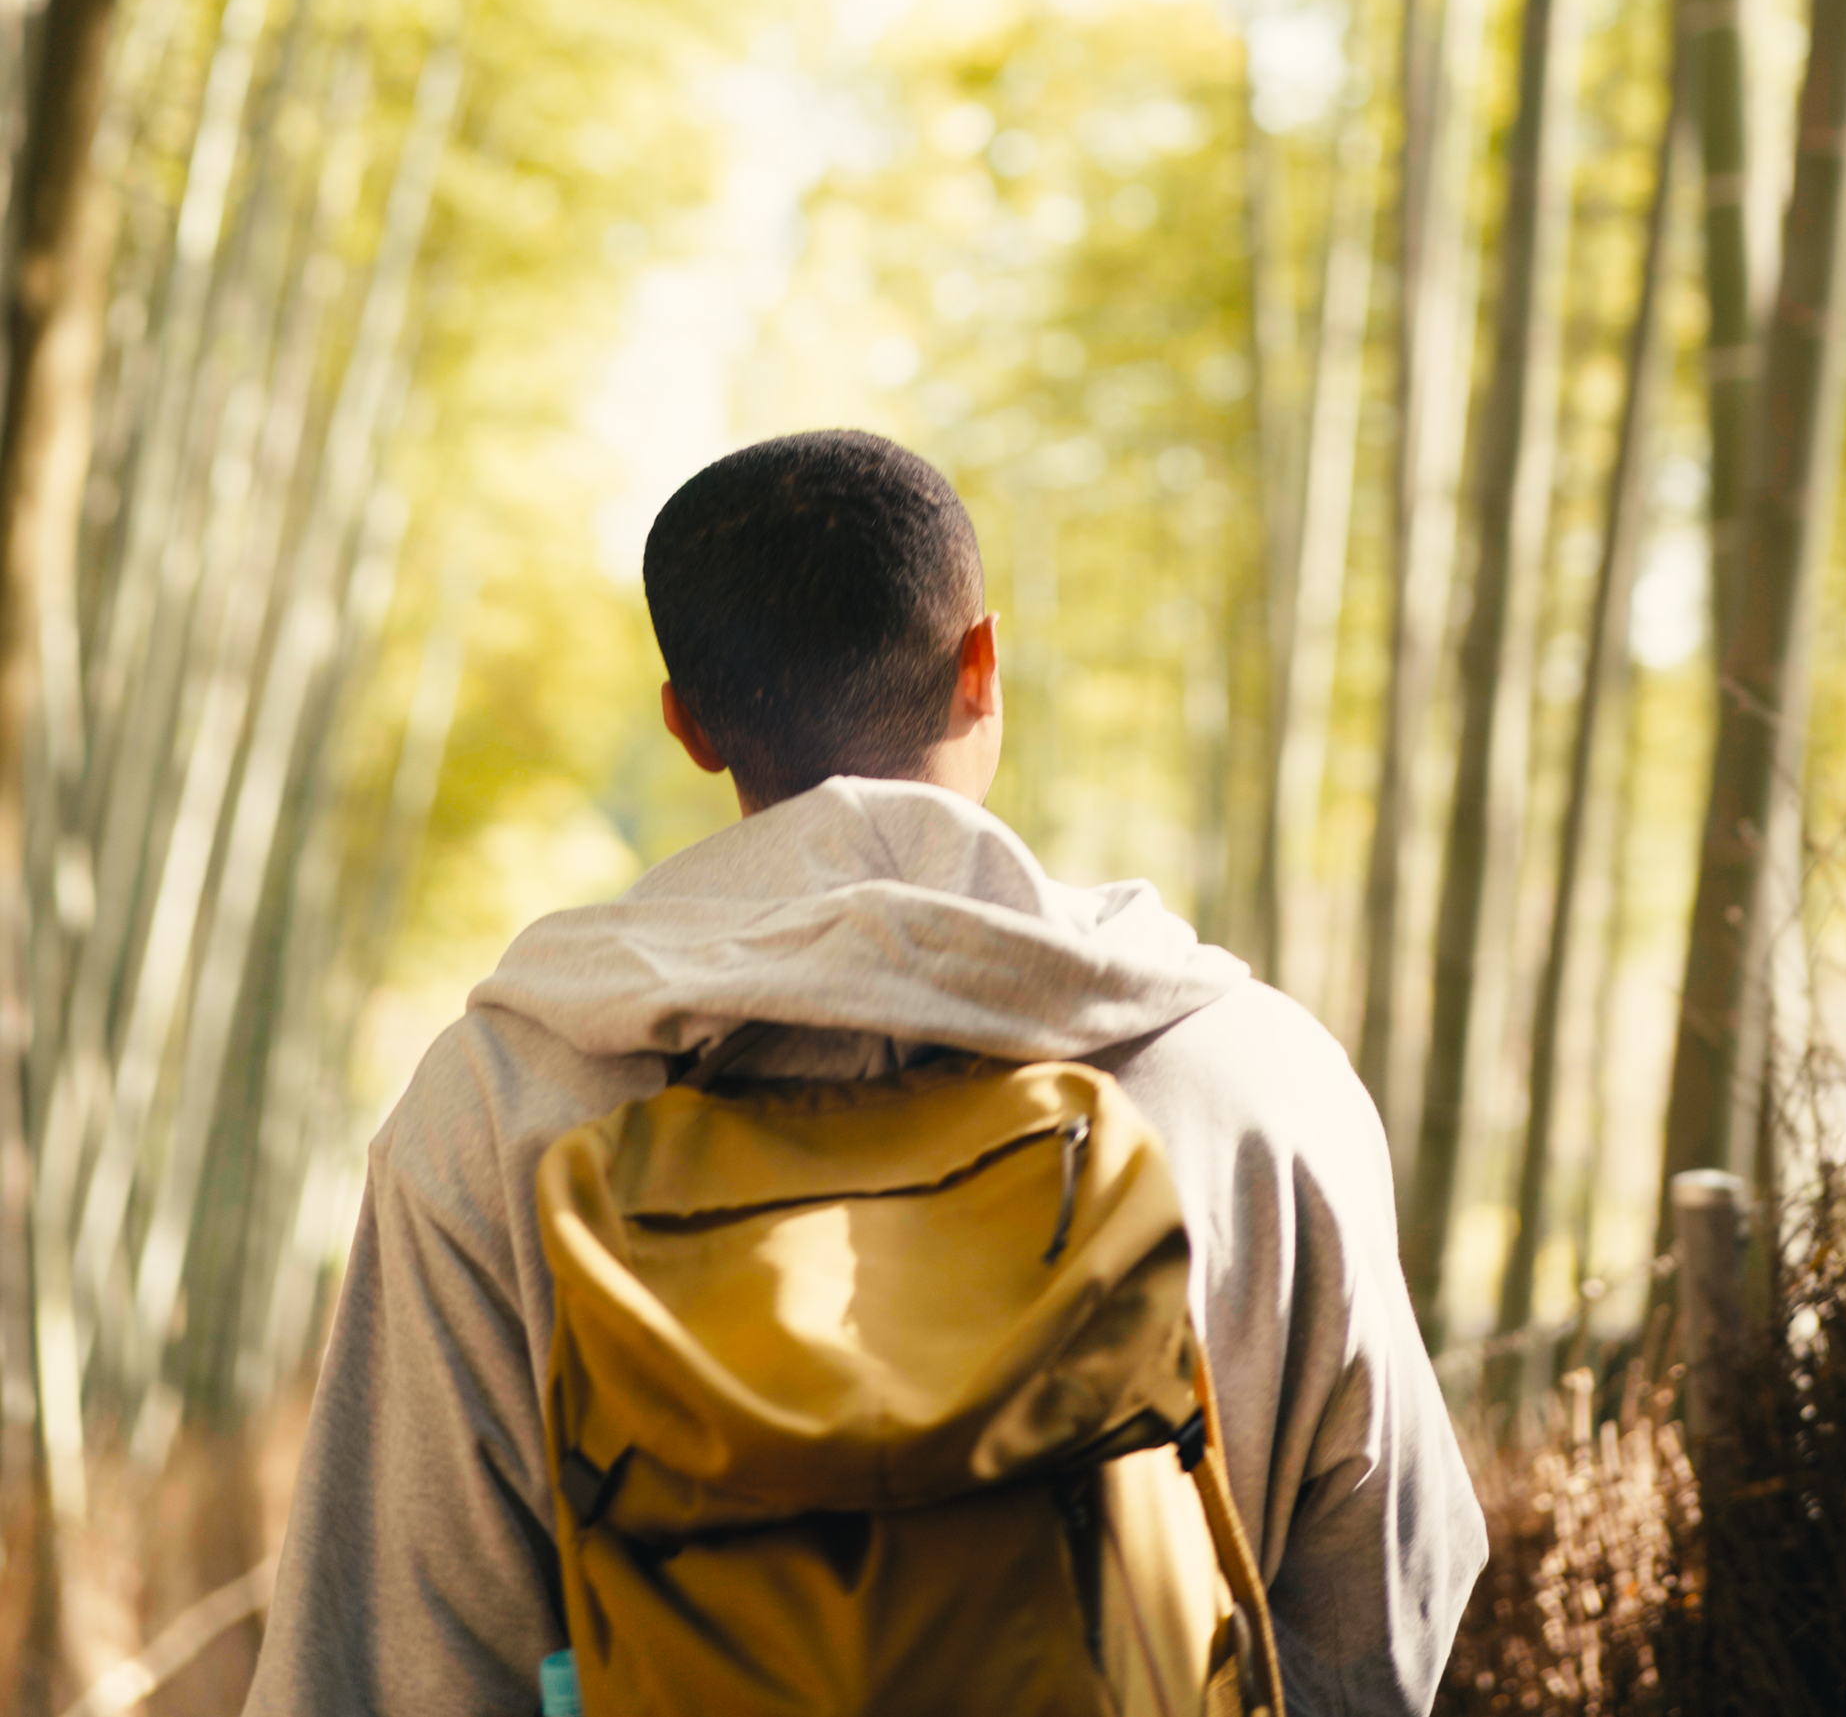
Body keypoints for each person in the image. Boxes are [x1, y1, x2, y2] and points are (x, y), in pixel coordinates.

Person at [247, 429, 1486, 1717]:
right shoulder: (1254, 1083)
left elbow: (402, 1654)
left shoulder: (498, 1109)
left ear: (688, 723)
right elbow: (1386, 1599)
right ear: (983, 668)